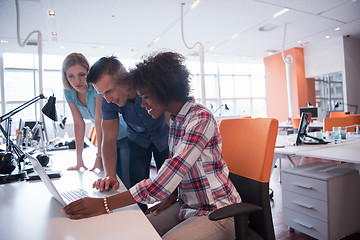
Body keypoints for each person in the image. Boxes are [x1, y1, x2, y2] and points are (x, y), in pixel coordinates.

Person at [62, 52, 241, 240]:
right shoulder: (176, 120)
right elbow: (179, 173)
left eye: (146, 96)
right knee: (134, 232)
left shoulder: (199, 119)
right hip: (187, 206)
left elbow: (164, 180)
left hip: (217, 210)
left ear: (164, 90)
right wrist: (172, 197)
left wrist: (104, 204)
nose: (142, 103)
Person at [85, 56, 170, 210]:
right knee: (136, 184)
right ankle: (142, 220)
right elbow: (109, 140)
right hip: (138, 140)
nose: (107, 99)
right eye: (102, 94)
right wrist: (110, 174)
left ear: (126, 79)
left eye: (109, 91)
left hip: (164, 136)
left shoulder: (149, 86)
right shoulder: (107, 102)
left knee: (170, 182)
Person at [62, 53, 129, 175]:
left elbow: (99, 121)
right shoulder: (69, 93)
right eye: (71, 76)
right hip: (105, 138)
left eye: (82, 74)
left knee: (123, 178)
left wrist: (99, 156)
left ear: (88, 71)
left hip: (122, 134)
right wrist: (79, 161)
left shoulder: (97, 88)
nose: (77, 81)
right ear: (65, 77)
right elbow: (78, 124)